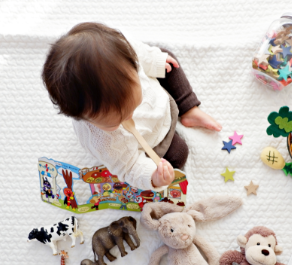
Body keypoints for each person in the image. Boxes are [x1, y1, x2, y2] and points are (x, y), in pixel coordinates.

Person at [42, 22, 221, 190]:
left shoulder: (123, 49)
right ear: (83, 118)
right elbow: (129, 168)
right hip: (151, 140)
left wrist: (154, 61)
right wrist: (153, 177)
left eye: (134, 104)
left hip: (160, 100)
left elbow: (142, 54)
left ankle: (189, 109)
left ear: (131, 65)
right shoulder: (103, 141)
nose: (130, 117)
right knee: (179, 154)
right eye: (117, 121)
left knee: (167, 61)